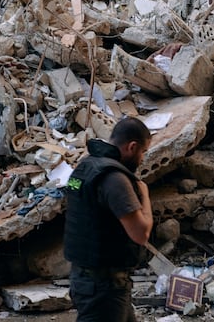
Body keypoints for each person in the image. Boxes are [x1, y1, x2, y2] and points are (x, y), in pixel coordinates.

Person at [64, 116, 153, 322]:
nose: (142, 159)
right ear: (132, 147)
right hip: (103, 289)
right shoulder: (115, 179)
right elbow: (141, 234)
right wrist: (144, 193)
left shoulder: (86, 167)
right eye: (143, 152)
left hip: (86, 280)